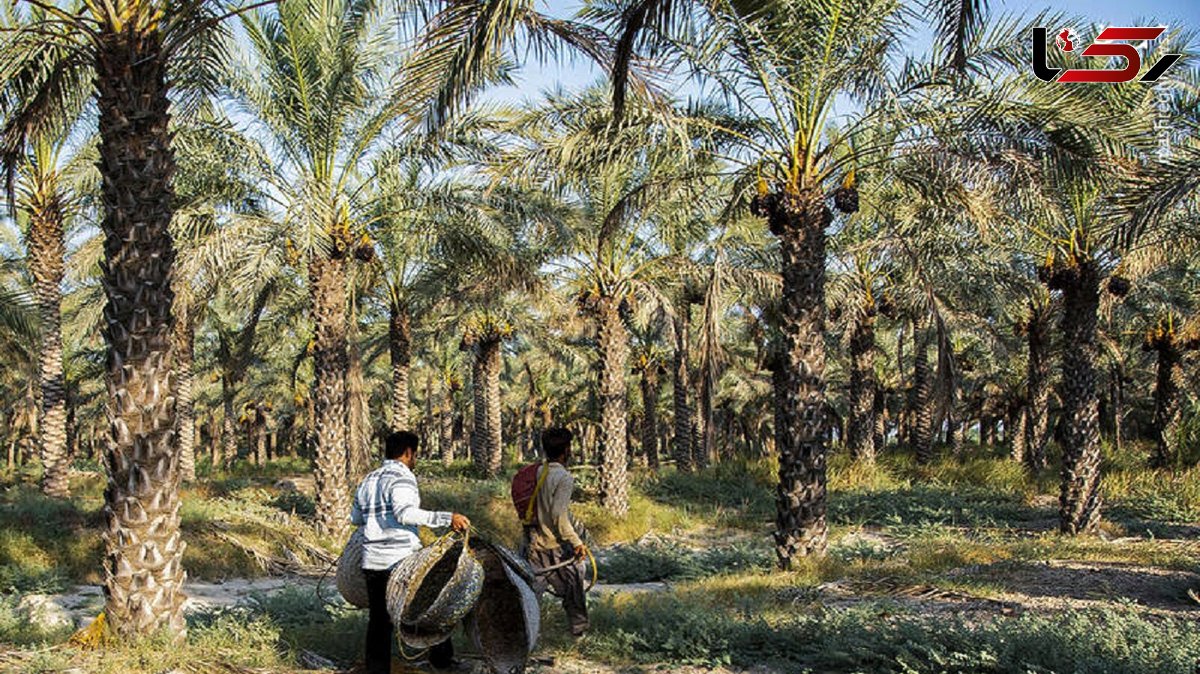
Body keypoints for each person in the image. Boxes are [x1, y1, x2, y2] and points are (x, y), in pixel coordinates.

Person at [350, 430, 470, 674]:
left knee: (379, 622)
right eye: (415, 454)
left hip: (372, 560)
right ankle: (442, 661)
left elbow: (356, 517)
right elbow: (405, 513)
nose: (415, 460)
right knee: (429, 609)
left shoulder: (369, 479)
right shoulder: (402, 477)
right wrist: (448, 518)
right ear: (408, 453)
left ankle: (377, 670)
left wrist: (378, 521)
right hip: (400, 560)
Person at [522, 427, 590, 636]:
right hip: (554, 547)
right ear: (567, 450)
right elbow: (559, 517)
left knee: (531, 597)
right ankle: (579, 633)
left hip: (532, 545)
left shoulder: (538, 471)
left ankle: (526, 636)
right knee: (575, 587)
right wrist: (577, 542)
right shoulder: (563, 477)